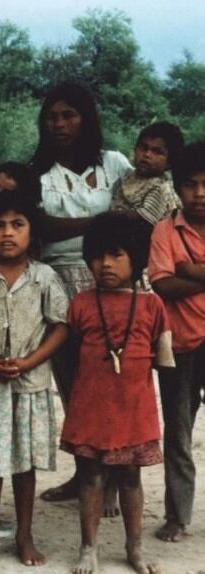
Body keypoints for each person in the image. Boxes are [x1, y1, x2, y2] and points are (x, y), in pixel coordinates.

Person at [0, 190, 69, 566]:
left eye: (17, 225)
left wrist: (31, 360)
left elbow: (60, 327)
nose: (8, 233)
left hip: (30, 386)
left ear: (31, 231)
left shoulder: (44, 277)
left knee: (24, 464)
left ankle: (24, 534)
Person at [31, 82, 132, 507]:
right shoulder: (38, 173)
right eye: (52, 117)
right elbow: (40, 229)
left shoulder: (116, 164)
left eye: (68, 115)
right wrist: (101, 223)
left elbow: (137, 218)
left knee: (112, 379)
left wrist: (96, 228)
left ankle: (115, 477)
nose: (59, 124)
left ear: (86, 118)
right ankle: (85, 475)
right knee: (72, 384)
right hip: (58, 284)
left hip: (110, 281)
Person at [63, 212, 172, 574]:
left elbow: (165, 359)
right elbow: (70, 351)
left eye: (116, 255)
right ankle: (88, 547)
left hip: (134, 409)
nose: (105, 264)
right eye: (97, 256)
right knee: (91, 477)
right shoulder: (80, 303)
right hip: (91, 407)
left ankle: (134, 547)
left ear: (137, 258)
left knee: (130, 478)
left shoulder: (153, 305)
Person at [148, 141, 205, 543]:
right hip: (180, 345)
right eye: (189, 185)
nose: (199, 193)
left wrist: (190, 268)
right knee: (179, 432)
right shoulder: (165, 229)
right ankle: (177, 516)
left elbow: (174, 276)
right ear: (176, 186)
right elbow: (161, 282)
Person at [110, 121, 185, 227]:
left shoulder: (161, 188)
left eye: (157, 152)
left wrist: (104, 218)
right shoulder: (126, 178)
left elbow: (142, 219)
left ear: (170, 162)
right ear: (135, 149)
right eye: (143, 148)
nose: (147, 155)